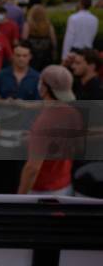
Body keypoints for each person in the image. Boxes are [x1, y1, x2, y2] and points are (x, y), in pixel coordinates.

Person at [17, 65, 82, 195]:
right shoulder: (73, 113)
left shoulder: (44, 122)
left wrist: (20, 197)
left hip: (43, 191)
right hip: (65, 185)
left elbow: (32, 168)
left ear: (44, 88)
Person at [0, 42, 40, 194]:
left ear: (30, 57)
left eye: (24, 56)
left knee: (18, 175)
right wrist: (4, 102)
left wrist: (26, 105)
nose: (21, 59)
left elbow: (43, 102)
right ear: (12, 57)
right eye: (18, 55)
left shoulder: (37, 77)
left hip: (23, 134)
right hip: (2, 135)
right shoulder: (2, 75)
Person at [22, 5, 56, 71]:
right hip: (46, 55)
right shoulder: (49, 26)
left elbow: (24, 39)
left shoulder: (28, 25)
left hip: (32, 56)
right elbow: (53, 41)